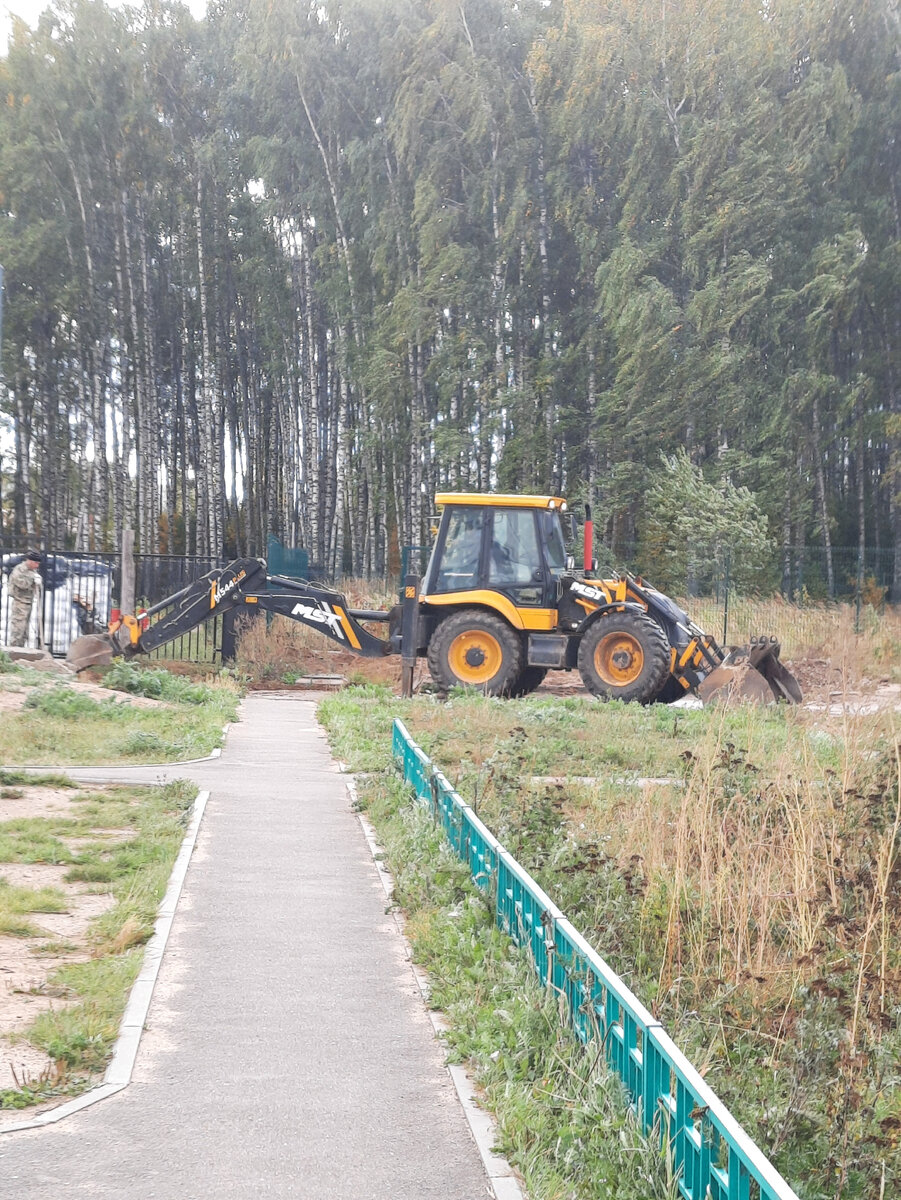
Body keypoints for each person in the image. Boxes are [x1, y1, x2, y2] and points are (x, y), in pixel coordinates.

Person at [7, 551, 42, 647]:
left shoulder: (32, 571)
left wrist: (38, 582)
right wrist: (32, 579)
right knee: (17, 631)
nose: (37, 566)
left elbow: (35, 587)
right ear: (30, 561)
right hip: (20, 603)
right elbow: (21, 584)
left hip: (28, 603)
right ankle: (13, 653)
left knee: (24, 633)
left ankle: (21, 653)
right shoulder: (19, 570)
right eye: (36, 563)